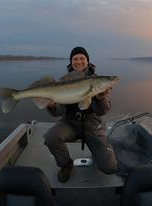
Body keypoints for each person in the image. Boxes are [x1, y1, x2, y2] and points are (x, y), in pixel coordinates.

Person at [44, 46, 118, 183]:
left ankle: (97, 154)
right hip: (69, 123)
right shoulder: (63, 82)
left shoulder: (96, 82)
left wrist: (101, 98)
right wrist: (52, 106)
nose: (78, 61)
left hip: (92, 126)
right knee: (51, 137)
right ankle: (66, 164)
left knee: (110, 168)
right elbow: (58, 112)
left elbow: (103, 111)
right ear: (71, 62)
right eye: (75, 59)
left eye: (82, 58)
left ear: (88, 61)